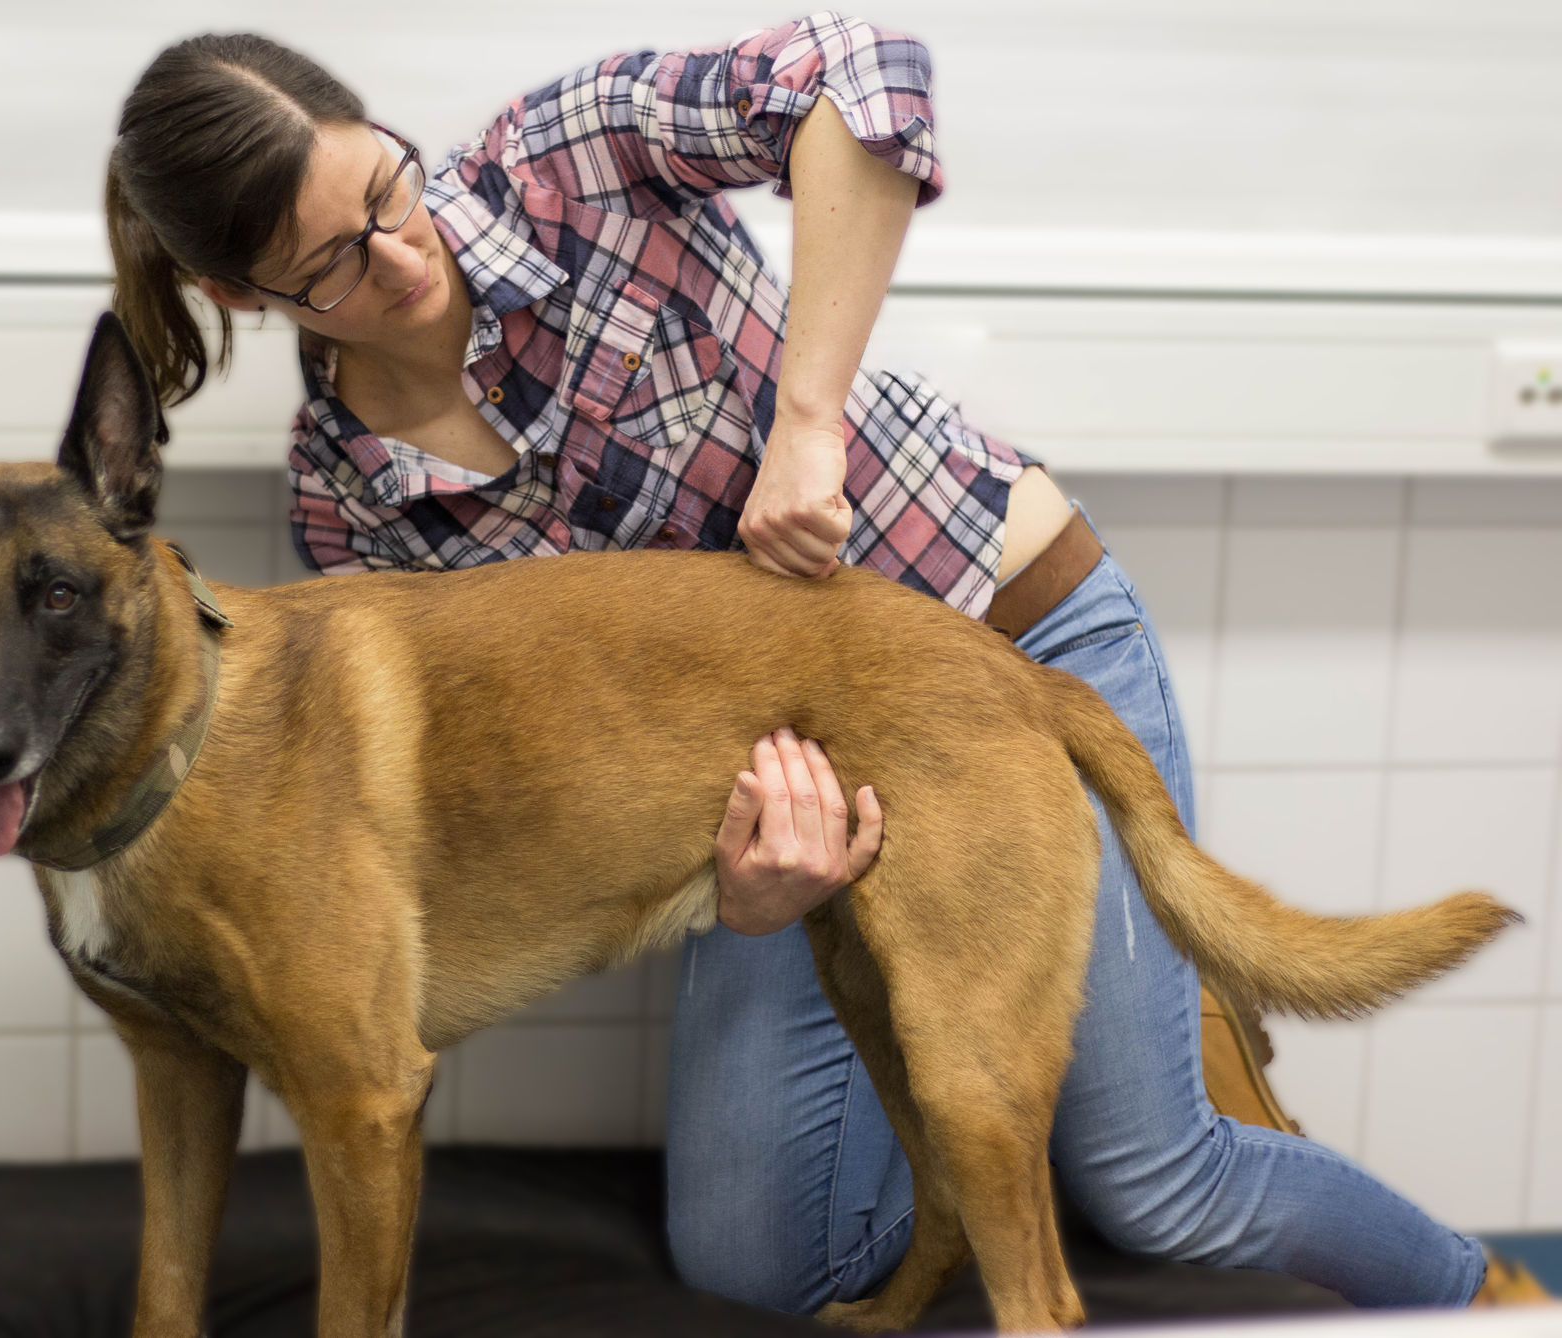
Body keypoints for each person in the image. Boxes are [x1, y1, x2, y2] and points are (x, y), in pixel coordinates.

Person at [102, 14, 1535, 1313]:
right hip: (773, 785)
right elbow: (529, 758)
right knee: (756, 1256)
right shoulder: (348, 494)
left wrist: (808, 414)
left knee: (1156, 1179)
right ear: (241, 295)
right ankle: (1011, 1074)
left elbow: (866, 72)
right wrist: (746, 893)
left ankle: (1486, 1300)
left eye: (386, 193)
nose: (406, 254)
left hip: (1005, 633)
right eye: (334, 264)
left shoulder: (564, 154)